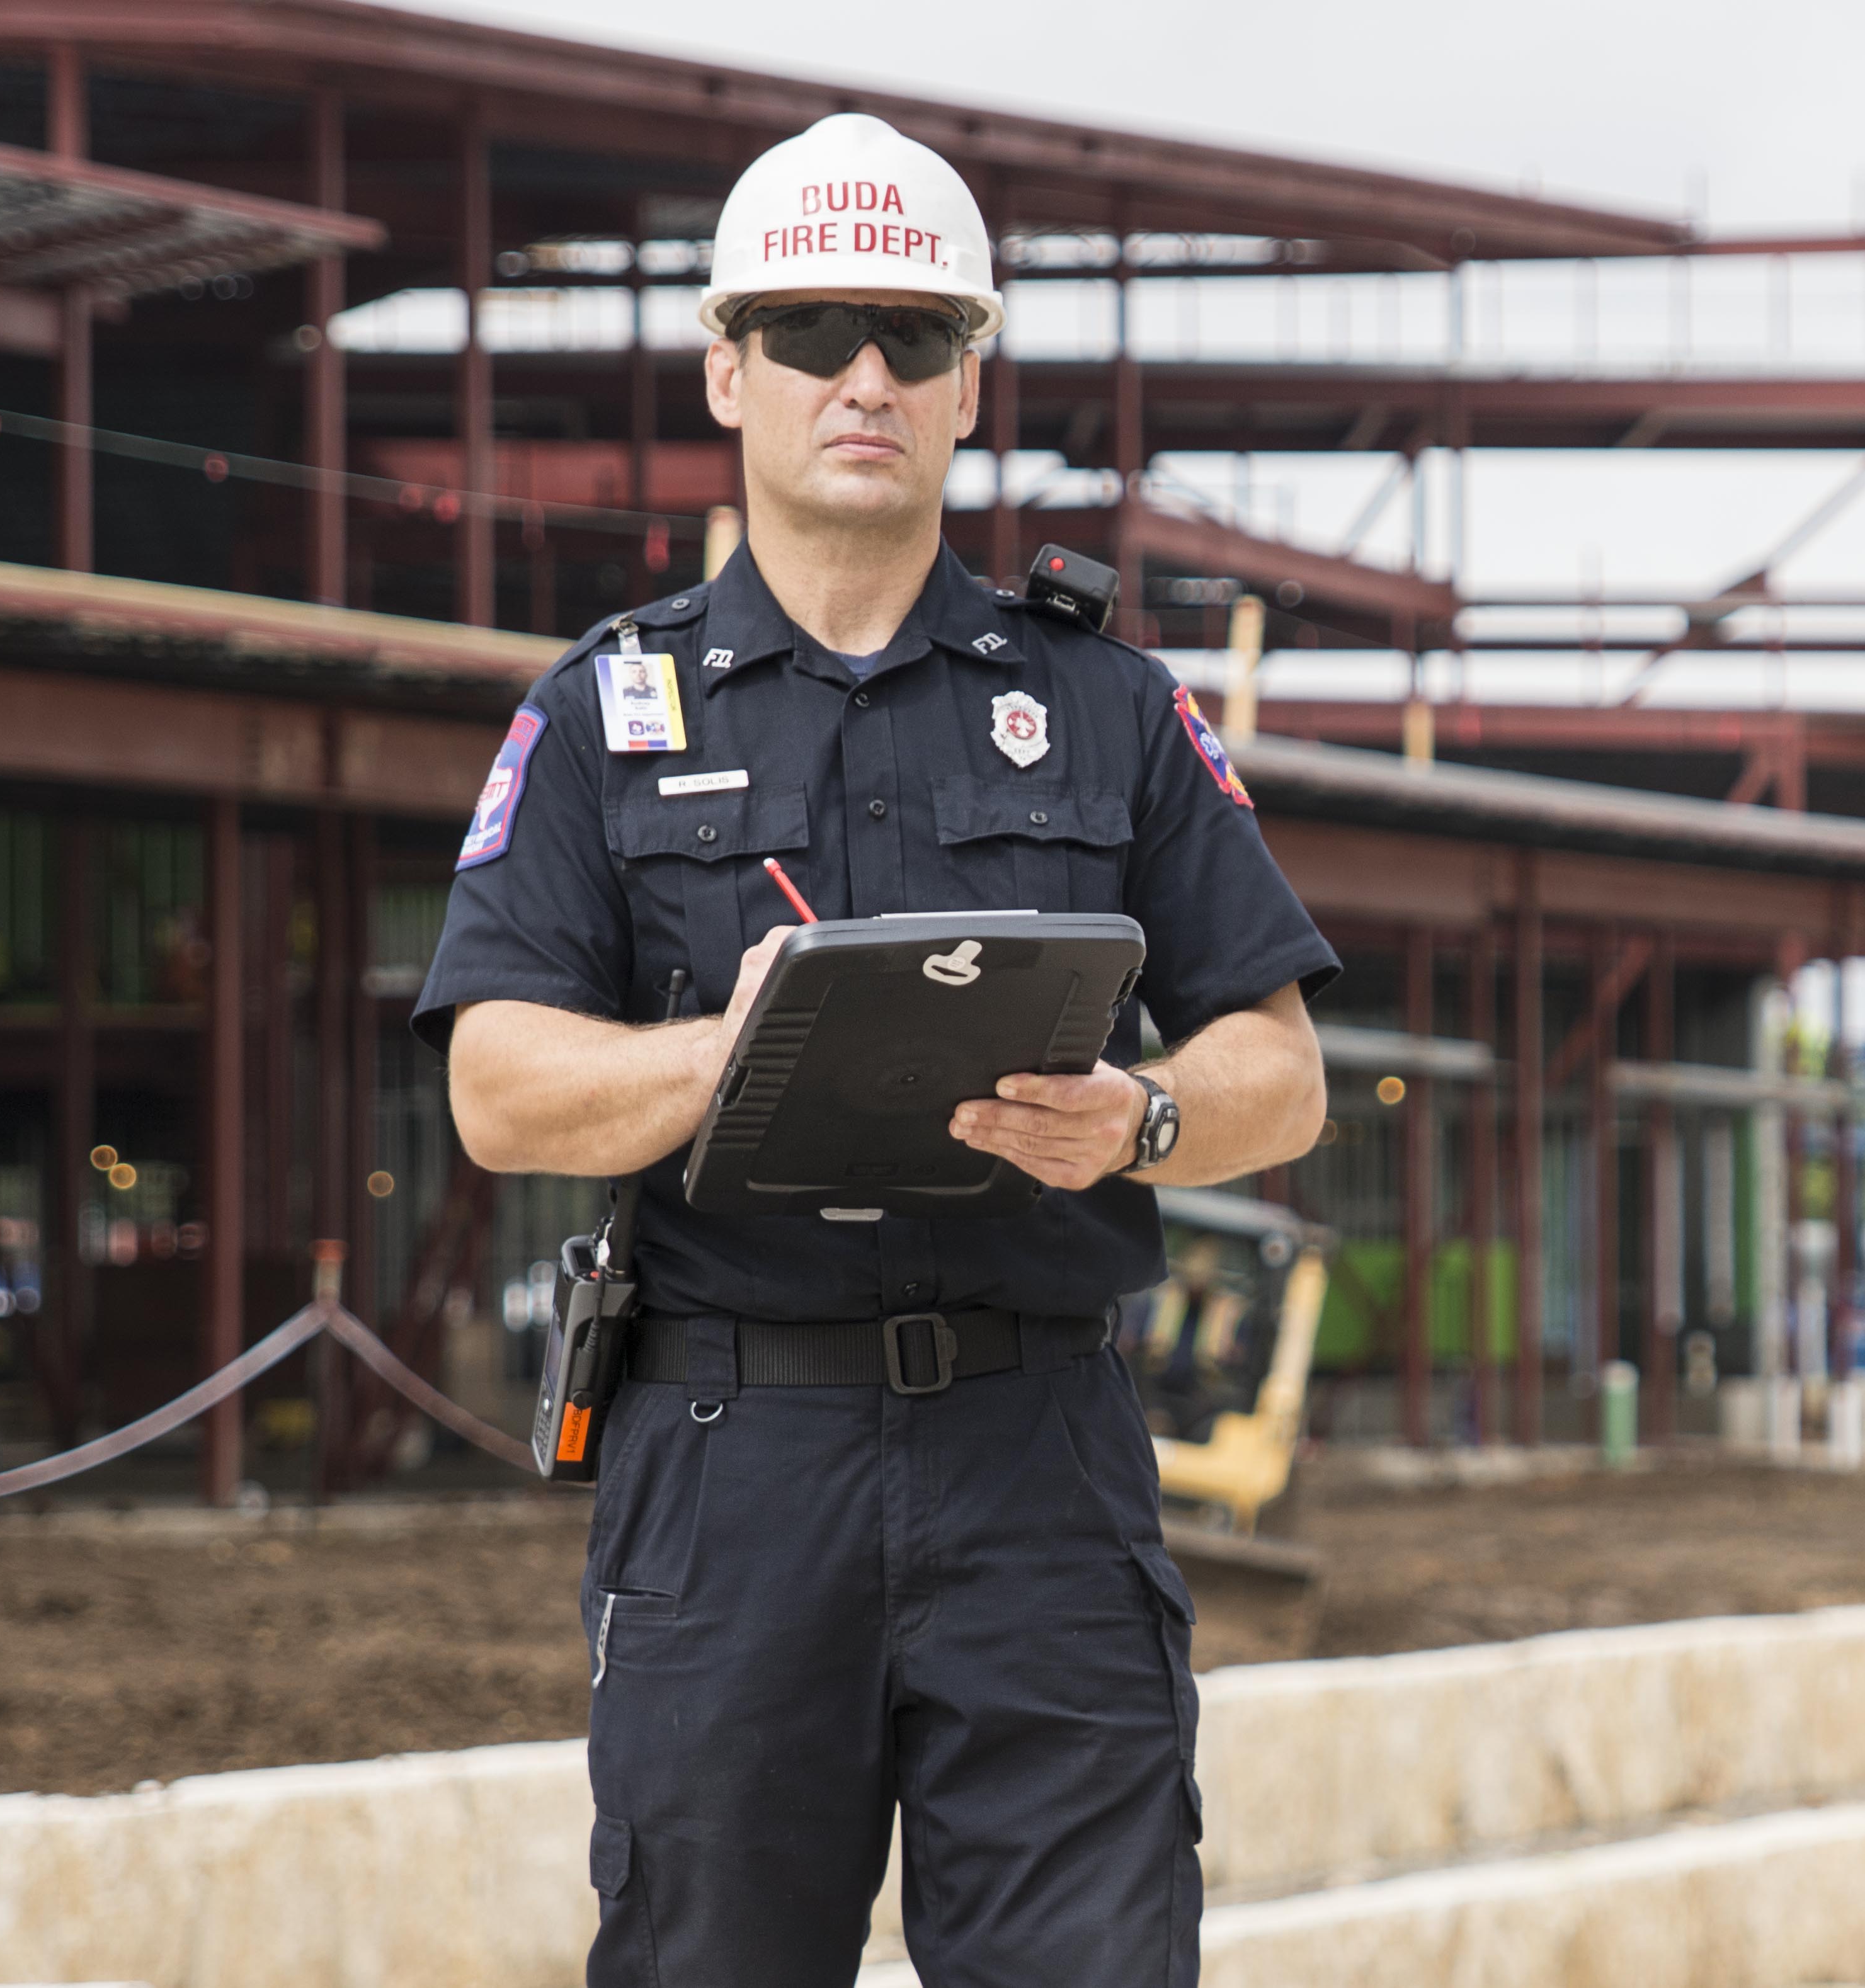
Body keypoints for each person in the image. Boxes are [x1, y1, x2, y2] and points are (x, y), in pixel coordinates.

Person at [412, 111, 1336, 1988]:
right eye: (815, 327)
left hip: (1041, 1458)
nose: (863, 373)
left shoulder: (1104, 706)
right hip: (732, 1454)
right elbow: (497, 1088)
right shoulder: (606, 713)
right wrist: (726, 1054)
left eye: (912, 337)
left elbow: (1280, 1066)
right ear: (725, 365)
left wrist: (1137, 1119)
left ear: (967, 380)